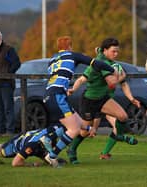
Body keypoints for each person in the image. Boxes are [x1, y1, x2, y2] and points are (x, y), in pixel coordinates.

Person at [42, 36, 116, 167]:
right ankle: (52, 156)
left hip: (49, 94)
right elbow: (95, 63)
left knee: (77, 122)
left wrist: (90, 128)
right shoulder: (72, 55)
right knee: (74, 130)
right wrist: (111, 69)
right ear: (70, 46)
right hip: (58, 94)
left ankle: (49, 139)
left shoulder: (52, 60)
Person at [66, 38, 141, 164]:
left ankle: (119, 136)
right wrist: (121, 76)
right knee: (84, 132)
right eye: (113, 51)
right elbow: (111, 83)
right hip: (89, 100)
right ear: (105, 51)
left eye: (117, 51)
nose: (116, 54)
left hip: (103, 99)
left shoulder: (102, 56)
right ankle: (72, 149)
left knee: (123, 116)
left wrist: (132, 98)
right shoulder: (102, 63)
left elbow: (98, 49)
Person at [0, 30, 21, 137]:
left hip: (6, 84)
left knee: (8, 108)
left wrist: (8, 73)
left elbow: (17, 63)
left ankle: (9, 131)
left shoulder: (8, 49)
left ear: (1, 38)